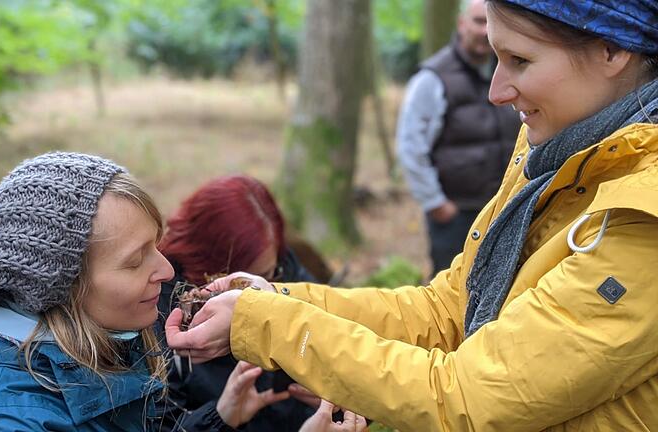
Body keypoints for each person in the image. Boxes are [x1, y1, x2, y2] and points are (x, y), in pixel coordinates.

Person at [166, 1, 658, 430]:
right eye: (496, 58)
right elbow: (448, 311)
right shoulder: (557, 154)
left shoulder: (642, 216)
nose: (496, 90)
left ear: (612, 50)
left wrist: (271, 324)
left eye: (521, 61)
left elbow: (465, 400)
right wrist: (279, 297)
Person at [0, 153, 287, 431]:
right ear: (62, 287)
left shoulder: (95, 332)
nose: (166, 270)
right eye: (134, 261)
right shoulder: (2, 422)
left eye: (156, 246)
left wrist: (219, 419)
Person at [155, 175, 320, 432]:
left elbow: (341, 343)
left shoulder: (284, 270)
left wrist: (335, 391)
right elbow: (162, 424)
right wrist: (221, 417)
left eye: (266, 277)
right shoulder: (158, 306)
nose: (257, 293)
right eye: (238, 284)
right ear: (206, 270)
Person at [396, 0, 521, 275]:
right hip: (456, 214)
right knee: (450, 294)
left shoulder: (513, 71)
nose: (485, 30)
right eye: (478, 21)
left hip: (504, 210)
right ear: (461, 23)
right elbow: (411, 146)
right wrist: (435, 203)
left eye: (491, 23)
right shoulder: (433, 78)